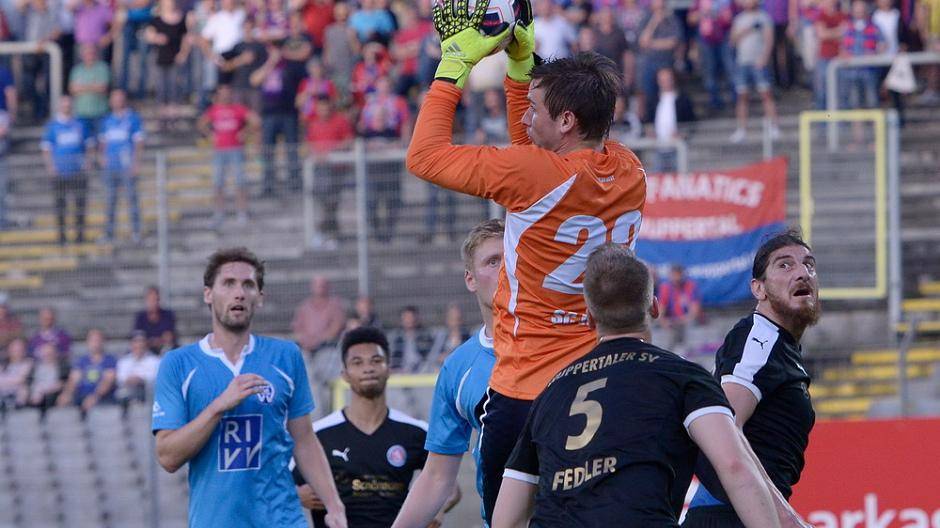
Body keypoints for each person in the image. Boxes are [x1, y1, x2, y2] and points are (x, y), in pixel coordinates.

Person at [406, 2, 646, 520]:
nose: (524, 116)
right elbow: (536, 153)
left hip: (526, 385)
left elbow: (423, 157)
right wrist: (522, 63)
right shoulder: (629, 169)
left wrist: (454, 65)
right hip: (599, 377)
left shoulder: (534, 174)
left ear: (567, 120)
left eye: (534, 108)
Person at [491, 244, 783, 528]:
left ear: (590, 317)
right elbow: (734, 466)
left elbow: (506, 519)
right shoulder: (683, 376)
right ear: (654, 307)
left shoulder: (550, 392)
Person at [151, 247, 347, 527]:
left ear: (260, 297)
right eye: (228, 283)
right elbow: (168, 456)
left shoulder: (286, 356)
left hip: (282, 519)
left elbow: (304, 439)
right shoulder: (178, 364)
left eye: (248, 285)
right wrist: (219, 406)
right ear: (208, 294)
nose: (239, 293)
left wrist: (334, 505)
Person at [684, 231, 820, 528]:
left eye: (809, 264)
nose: (802, 273)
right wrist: (785, 518)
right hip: (728, 515)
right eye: (785, 265)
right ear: (759, 289)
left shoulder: (780, 344)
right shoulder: (761, 336)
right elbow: (724, 429)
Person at [393, 219, 504, 528]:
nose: (506, 269)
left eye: (512, 258)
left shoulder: (560, 345)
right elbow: (437, 477)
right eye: (492, 261)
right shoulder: (458, 367)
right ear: (471, 279)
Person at [293, 326, 458, 527]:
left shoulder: (415, 432)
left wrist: (438, 509)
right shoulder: (318, 435)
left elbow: (450, 487)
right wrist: (297, 495)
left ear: (388, 369)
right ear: (344, 374)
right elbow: (277, 484)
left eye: (376, 360)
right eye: (357, 362)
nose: (368, 368)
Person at [198, 83, 260, 227]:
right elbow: (201, 123)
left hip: (236, 150)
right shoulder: (214, 110)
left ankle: (242, 212)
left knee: (240, 182)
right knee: (218, 183)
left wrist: (245, 132)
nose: (225, 96)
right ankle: (219, 213)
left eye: (228, 93)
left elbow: (256, 121)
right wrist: (210, 135)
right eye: (223, 93)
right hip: (219, 151)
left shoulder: (238, 109)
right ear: (218, 95)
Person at [42, 95, 94, 246]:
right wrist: (50, 167)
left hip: (78, 172)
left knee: (80, 205)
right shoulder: (52, 126)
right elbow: (46, 148)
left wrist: (88, 162)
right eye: (64, 105)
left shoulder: (80, 124)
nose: (67, 107)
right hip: (60, 173)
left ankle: (79, 236)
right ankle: (62, 237)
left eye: (69, 104)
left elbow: (90, 145)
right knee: (60, 206)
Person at [729, 0, 780, 144]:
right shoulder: (739, 19)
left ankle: (774, 127)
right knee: (742, 96)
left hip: (758, 62)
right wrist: (746, 30)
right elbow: (732, 40)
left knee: (766, 94)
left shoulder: (764, 18)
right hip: (742, 62)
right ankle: (741, 130)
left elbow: (769, 40)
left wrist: (764, 58)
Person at [98, 89, 145, 243]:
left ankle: (136, 231)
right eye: (114, 99)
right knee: (110, 200)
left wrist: (136, 162)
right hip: (111, 166)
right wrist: (102, 157)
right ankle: (109, 233)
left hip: (127, 166)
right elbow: (103, 142)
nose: (117, 102)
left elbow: (139, 142)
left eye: (120, 98)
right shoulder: (107, 120)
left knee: (132, 199)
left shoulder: (133, 118)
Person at [56, 328, 117, 412]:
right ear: (87, 342)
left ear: (103, 342)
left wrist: (95, 396)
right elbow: (73, 380)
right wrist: (67, 394)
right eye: (92, 340)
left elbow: (107, 382)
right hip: (82, 396)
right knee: (63, 401)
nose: (95, 343)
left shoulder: (110, 360)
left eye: (97, 340)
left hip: (103, 397)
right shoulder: (81, 361)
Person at [657, 264, 703, 353]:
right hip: (672, 321)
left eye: (678, 275)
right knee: (662, 330)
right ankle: (667, 354)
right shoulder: (665, 287)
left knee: (690, 326)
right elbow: (661, 309)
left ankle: (689, 353)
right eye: (674, 275)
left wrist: (682, 320)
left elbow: (694, 311)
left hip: (687, 321)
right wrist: (663, 321)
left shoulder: (690, 286)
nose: (676, 278)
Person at [69, 43, 110, 138]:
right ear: (82, 55)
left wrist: (82, 87)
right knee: (83, 141)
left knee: (101, 140)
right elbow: (73, 89)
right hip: (81, 112)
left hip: (100, 112)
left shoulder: (103, 68)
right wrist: (93, 86)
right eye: (86, 53)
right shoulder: (77, 70)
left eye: (92, 53)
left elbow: (103, 88)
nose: (89, 56)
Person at [387, 306, 436, 373]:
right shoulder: (395, 338)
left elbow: (429, 357)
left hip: (421, 372)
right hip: (399, 373)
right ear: (401, 320)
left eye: (411, 317)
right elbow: (392, 359)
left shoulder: (426, 337)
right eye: (406, 317)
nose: (409, 320)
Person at [116, 330, 161, 403]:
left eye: (142, 341)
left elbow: (154, 378)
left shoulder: (155, 360)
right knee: (121, 393)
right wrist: (131, 380)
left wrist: (140, 379)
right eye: (136, 341)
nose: (139, 344)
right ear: (131, 344)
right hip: (128, 391)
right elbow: (120, 378)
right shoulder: (124, 361)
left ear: (146, 343)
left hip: (148, 394)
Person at [133, 285, 178, 354]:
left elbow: (168, 337)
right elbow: (138, 337)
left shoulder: (168, 315)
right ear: (146, 300)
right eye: (150, 300)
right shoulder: (140, 317)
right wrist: (153, 341)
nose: (153, 303)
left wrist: (151, 341)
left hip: (164, 349)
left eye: (155, 299)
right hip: (145, 350)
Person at [0, 337, 33, 410]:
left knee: (23, 389)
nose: (17, 351)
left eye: (20, 348)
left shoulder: (28, 362)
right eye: (14, 348)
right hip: (3, 393)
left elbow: (20, 380)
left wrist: (4, 380)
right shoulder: (3, 364)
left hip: (18, 396)